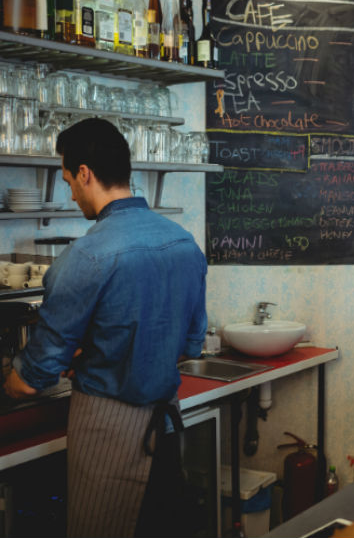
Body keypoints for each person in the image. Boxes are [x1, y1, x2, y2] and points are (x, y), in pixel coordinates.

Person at [3, 118, 208, 537]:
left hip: (108, 433)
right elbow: (190, 345)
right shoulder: (184, 242)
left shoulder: (86, 256)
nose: (72, 193)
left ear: (84, 173)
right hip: (165, 428)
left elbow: (30, 381)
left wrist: (12, 379)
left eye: (67, 180)